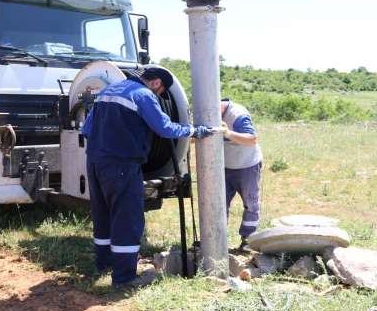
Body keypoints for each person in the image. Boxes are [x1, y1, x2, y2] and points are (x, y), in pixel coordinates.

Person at [82, 67, 214, 288]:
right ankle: (124, 278)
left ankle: (103, 266)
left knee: (103, 214)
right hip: (122, 164)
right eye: (160, 92)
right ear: (155, 83)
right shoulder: (142, 95)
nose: (159, 96)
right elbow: (164, 128)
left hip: (95, 162)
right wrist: (193, 131)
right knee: (127, 218)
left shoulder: (109, 90)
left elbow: (86, 129)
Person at [220, 98, 263, 249]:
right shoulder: (210, 113)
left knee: (250, 203)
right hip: (224, 167)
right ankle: (218, 241)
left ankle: (248, 240)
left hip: (247, 165)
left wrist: (227, 133)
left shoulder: (237, 114)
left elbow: (251, 139)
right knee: (218, 204)